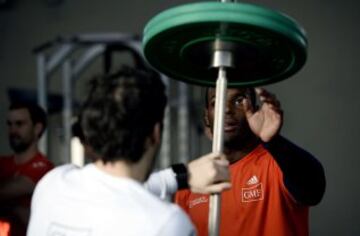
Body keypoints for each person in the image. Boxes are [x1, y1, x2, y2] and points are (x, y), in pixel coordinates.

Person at [27, 66, 231, 236]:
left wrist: (181, 176)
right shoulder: (166, 224)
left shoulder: (52, 184)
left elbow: (114, 194)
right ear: (155, 133)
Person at [175, 87, 326, 236]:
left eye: (239, 100)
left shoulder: (278, 164)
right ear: (207, 116)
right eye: (216, 102)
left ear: (255, 110)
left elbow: (314, 189)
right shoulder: (190, 182)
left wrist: (274, 141)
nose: (226, 109)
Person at [0, 102, 54, 236]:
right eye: (9, 124)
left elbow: (5, 191)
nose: (13, 130)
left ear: (37, 128)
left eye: (19, 124)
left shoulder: (45, 168)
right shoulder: (2, 162)